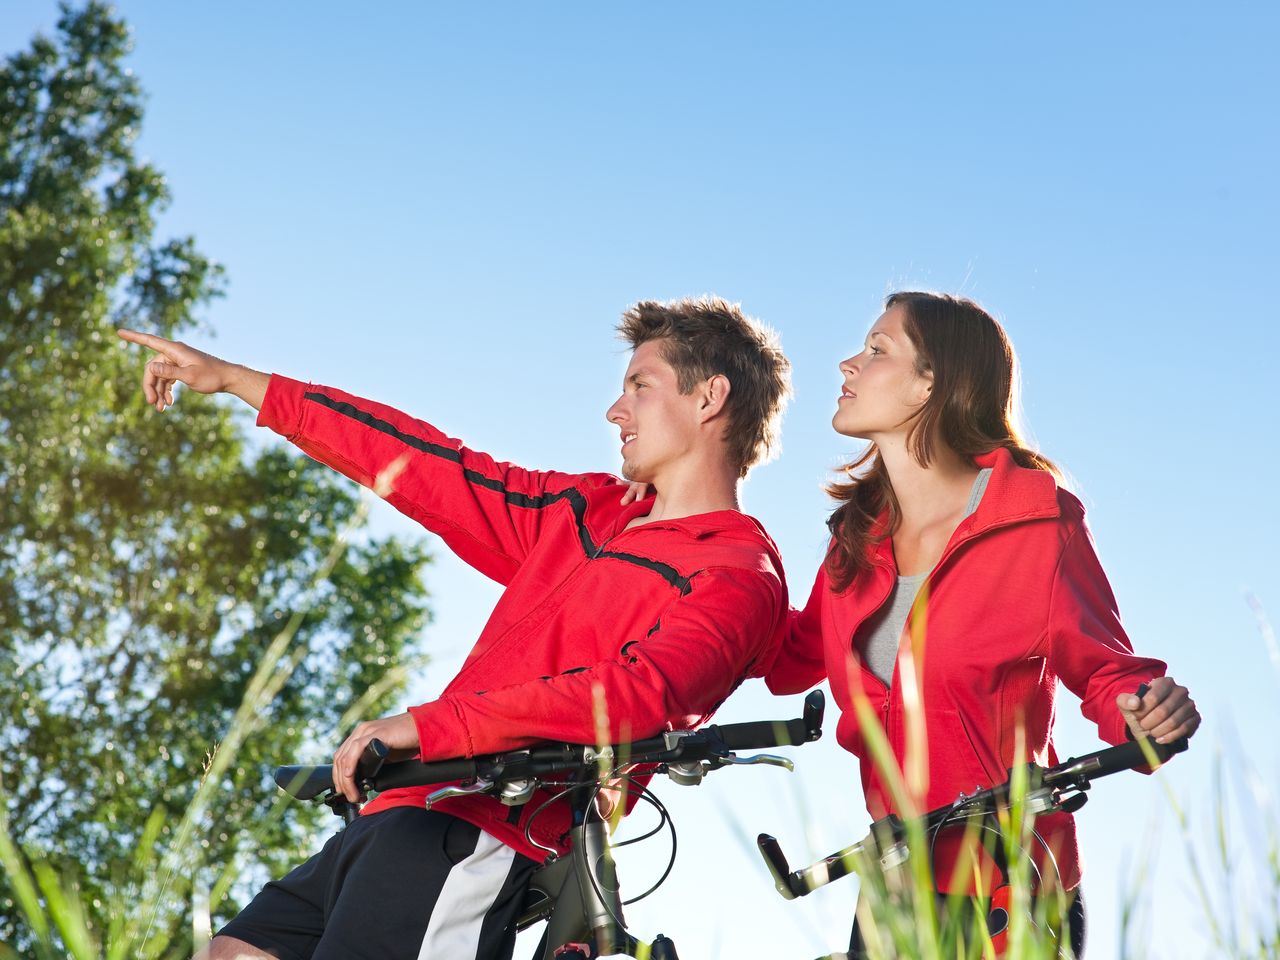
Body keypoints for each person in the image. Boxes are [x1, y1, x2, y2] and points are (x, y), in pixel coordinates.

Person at [118, 295, 792, 960]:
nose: (615, 411)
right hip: (394, 810)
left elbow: (633, 697)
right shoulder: (582, 511)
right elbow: (431, 467)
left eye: (639, 388)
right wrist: (240, 382)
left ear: (709, 398)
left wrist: (431, 726)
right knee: (233, 951)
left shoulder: (736, 570)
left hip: (486, 829)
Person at [762, 292, 1201, 957]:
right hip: (893, 886)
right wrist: (715, 568)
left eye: (878, 350)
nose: (849, 364)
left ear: (933, 380)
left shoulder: (1034, 520)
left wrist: (1145, 711)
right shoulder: (860, 539)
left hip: (1012, 885)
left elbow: (1108, 669)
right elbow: (786, 656)